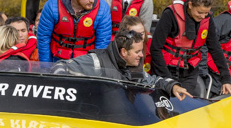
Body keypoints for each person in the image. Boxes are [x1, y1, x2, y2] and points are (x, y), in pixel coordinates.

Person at [148, 0, 231, 97]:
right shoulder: (170, 15)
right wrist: (169, 81)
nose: (203, 16)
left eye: (206, 13)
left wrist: (226, 78)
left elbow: (215, 48)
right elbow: (155, 48)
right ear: (190, 5)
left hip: (189, 72)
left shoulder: (207, 19)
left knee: (184, 105)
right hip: (166, 69)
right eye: (199, 12)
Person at [60, 29, 191, 100]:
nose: (142, 55)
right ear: (124, 52)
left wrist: (173, 86)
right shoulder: (96, 61)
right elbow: (61, 67)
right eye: (138, 51)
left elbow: (153, 81)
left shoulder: (134, 67)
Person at [36, 0, 112, 62]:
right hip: (57, 58)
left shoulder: (102, 9)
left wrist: (96, 67)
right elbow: (43, 39)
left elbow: (103, 43)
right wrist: (46, 67)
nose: (92, 0)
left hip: (87, 61)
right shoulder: (52, 6)